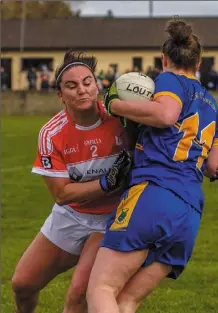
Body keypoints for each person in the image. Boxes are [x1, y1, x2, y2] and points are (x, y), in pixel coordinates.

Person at [87, 19, 218, 313]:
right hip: (189, 212)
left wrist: (114, 104)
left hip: (154, 194)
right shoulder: (212, 105)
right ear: (199, 61)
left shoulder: (168, 81)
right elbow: (215, 166)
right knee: (126, 300)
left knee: (102, 289)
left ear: (164, 59)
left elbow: (165, 115)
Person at [11, 49, 133, 313]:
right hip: (72, 215)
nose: (82, 90)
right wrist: (105, 184)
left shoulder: (123, 119)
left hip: (111, 218)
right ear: (60, 95)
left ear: (97, 85)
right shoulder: (50, 133)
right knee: (22, 284)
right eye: (72, 85)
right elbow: (61, 194)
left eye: (87, 82)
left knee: (79, 293)